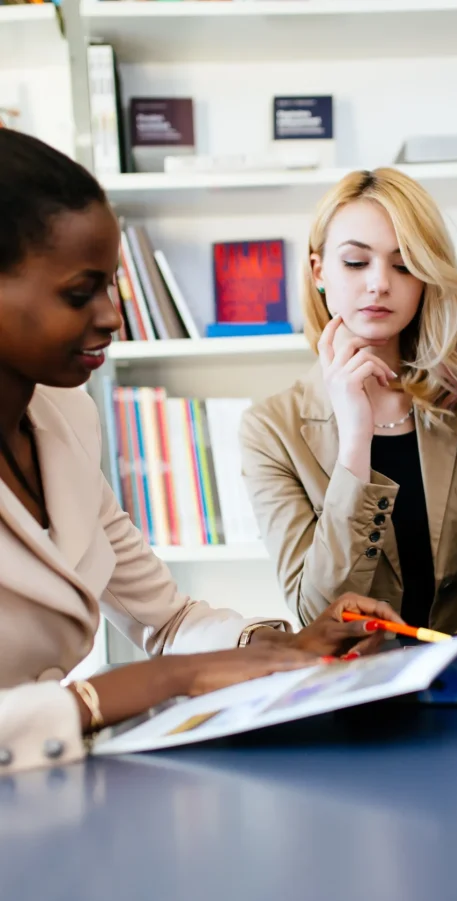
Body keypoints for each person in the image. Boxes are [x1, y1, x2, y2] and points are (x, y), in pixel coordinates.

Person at [0, 129, 403, 777]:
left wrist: (281, 644)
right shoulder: (272, 426)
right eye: (79, 293)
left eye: (112, 287)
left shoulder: (67, 420)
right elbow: (166, 664)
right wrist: (163, 680)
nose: (111, 317)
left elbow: (167, 618)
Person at [240, 168, 457, 634]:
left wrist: (454, 656)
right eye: (355, 262)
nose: (380, 283)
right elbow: (317, 613)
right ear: (319, 271)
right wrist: (355, 441)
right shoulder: (271, 430)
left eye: (404, 265)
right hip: (358, 673)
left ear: (427, 277)